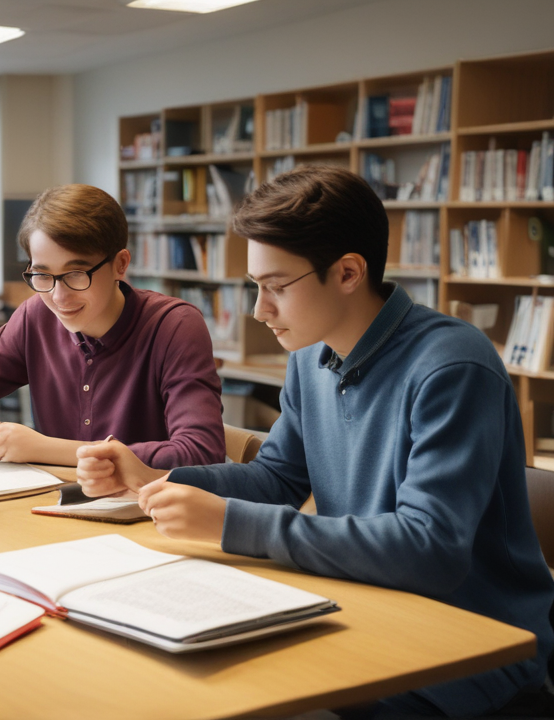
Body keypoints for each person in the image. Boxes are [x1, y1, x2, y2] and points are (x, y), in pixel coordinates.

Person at [76, 166, 554, 716]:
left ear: (349, 272)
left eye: (277, 287)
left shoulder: (452, 366)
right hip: (367, 609)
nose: (260, 310)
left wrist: (228, 523)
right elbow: (277, 479)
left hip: (468, 655)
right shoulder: (311, 355)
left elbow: (430, 551)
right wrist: (155, 478)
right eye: (256, 287)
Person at [0, 183, 224, 469]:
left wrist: (45, 449)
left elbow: (200, 454)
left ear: (120, 264)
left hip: (148, 520)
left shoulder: (175, 326)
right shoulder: (35, 318)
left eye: (76, 273)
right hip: (52, 508)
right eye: (42, 274)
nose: (59, 296)